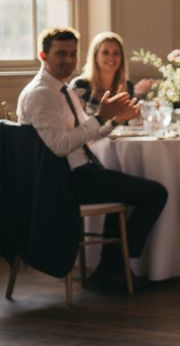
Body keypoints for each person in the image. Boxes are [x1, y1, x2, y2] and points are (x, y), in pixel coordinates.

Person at [18, 27, 167, 292]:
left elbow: (83, 135)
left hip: (80, 173)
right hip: (61, 182)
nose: (68, 60)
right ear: (43, 55)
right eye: (61, 54)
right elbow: (61, 147)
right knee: (156, 193)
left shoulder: (63, 90)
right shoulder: (41, 94)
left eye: (73, 54)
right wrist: (101, 117)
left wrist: (112, 121)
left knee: (122, 187)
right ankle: (116, 266)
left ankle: (109, 270)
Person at [71, 31, 154, 110]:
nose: (111, 58)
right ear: (95, 56)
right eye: (105, 52)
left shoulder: (127, 87)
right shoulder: (80, 86)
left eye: (116, 53)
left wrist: (139, 97)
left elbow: (130, 121)